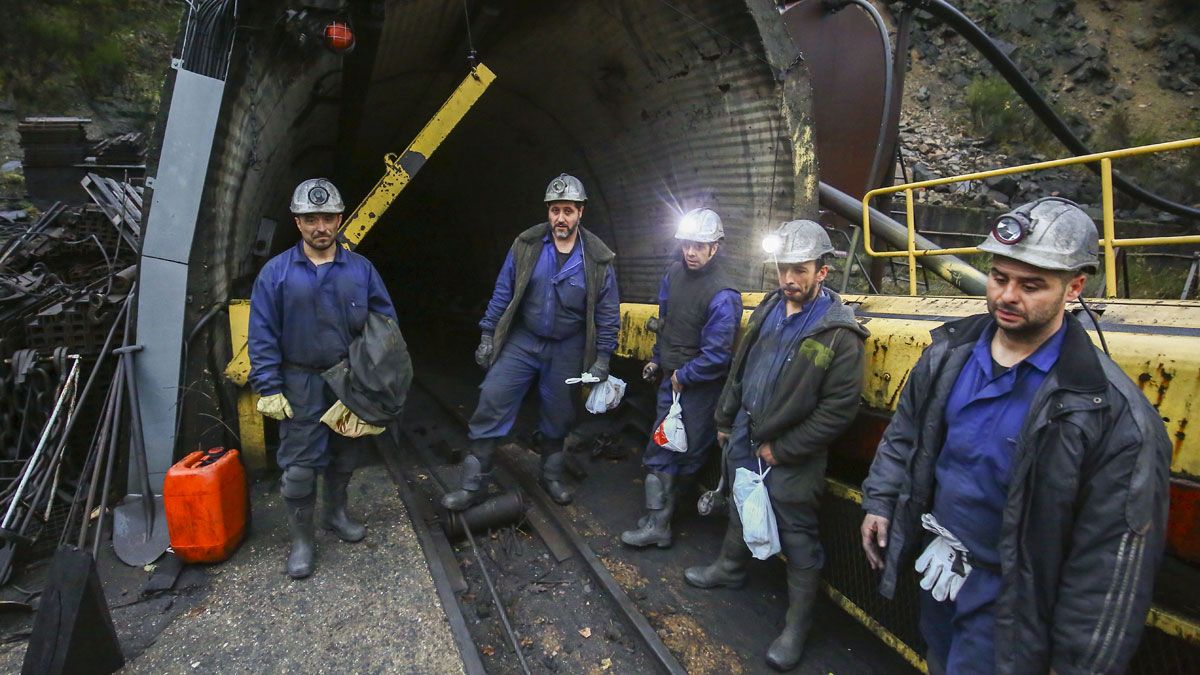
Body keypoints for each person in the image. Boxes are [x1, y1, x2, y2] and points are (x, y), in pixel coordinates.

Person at [859, 197, 1170, 675]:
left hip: (1013, 609)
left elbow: (1109, 566)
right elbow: (907, 434)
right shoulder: (950, 356)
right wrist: (880, 499)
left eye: (1031, 286)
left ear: (1075, 288)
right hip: (940, 570)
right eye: (999, 278)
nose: (1007, 296)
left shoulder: (1111, 415)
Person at [684, 220, 867, 671]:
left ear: (822, 271)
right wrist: (726, 418)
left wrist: (785, 449)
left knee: (799, 533)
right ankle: (730, 567)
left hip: (792, 450)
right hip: (747, 431)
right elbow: (741, 368)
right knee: (743, 497)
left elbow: (838, 409)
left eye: (800, 270)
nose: (789, 279)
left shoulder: (838, 334)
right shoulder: (767, 308)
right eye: (783, 268)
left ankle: (797, 626)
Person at [441, 173, 620, 510]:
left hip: (568, 344)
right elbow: (503, 291)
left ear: (581, 212)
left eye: (568, 210)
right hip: (525, 339)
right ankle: (473, 486)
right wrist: (486, 333)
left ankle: (550, 476)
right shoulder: (526, 245)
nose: (561, 218)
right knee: (493, 395)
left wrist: (603, 358)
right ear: (548, 212)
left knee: (560, 411)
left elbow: (608, 311)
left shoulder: (597, 258)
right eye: (555, 210)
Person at [248, 178, 398, 579]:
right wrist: (269, 385)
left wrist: (377, 377)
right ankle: (302, 540)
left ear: (339, 219)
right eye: (311, 218)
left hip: (349, 380)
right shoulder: (275, 274)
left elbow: (385, 327)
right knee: (298, 466)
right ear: (297, 222)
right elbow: (261, 331)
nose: (320, 226)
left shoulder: (362, 270)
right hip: (299, 381)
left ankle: (336, 514)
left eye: (328, 217)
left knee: (345, 455)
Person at [621, 208, 741, 548]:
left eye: (699, 246)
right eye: (687, 244)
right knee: (664, 447)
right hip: (672, 381)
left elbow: (718, 355)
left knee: (673, 453)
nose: (691, 252)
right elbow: (668, 325)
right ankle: (661, 517)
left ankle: (660, 523)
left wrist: (684, 376)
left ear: (714, 248)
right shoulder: (673, 274)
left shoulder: (723, 294)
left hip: (697, 390)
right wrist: (658, 361)